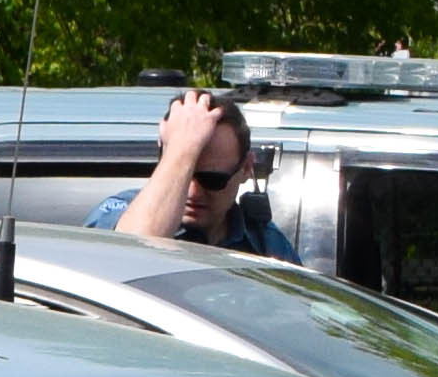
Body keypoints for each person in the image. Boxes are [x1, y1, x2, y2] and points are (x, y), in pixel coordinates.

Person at [92, 86, 298, 257]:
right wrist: (182, 149)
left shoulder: (266, 244)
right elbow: (127, 255)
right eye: (184, 175)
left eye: (212, 179)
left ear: (246, 168)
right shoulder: (122, 213)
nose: (193, 193)